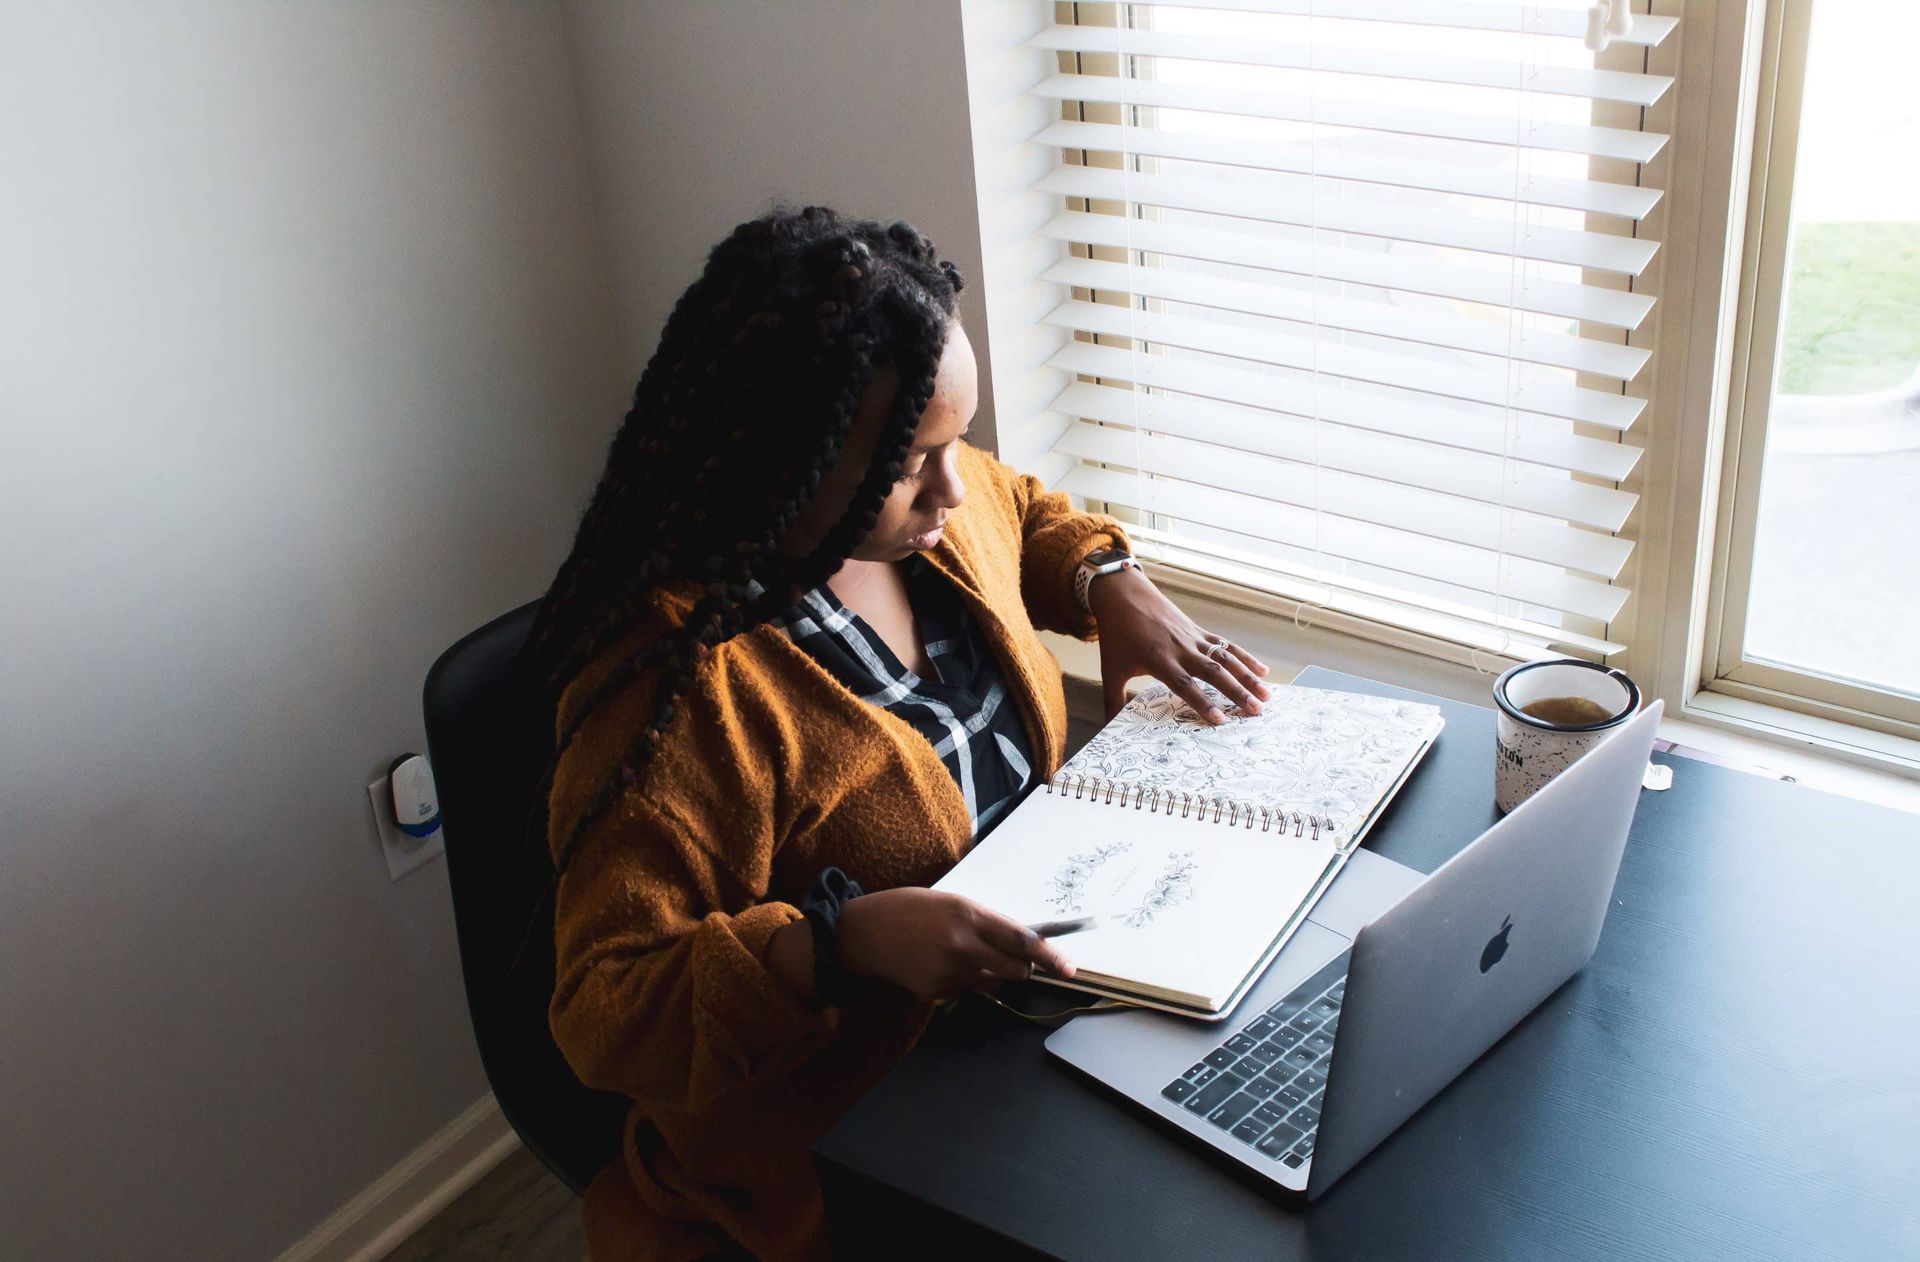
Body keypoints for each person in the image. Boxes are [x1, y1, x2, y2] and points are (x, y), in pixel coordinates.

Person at [523, 205, 1272, 1261]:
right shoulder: (675, 691)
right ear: (794, 451)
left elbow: (1026, 507)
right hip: (868, 1144)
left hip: (1027, 1040)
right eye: (912, 457)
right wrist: (833, 944)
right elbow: (603, 1004)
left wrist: (1112, 581)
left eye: (956, 437)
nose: (953, 484)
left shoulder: (933, 520)